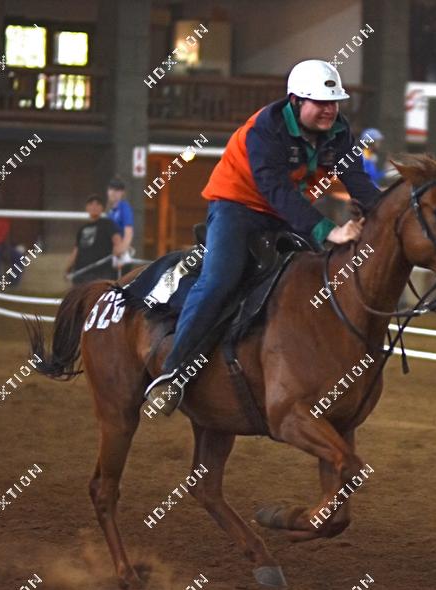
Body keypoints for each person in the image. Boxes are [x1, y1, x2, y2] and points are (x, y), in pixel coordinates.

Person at [144, 59, 382, 415]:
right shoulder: (265, 129)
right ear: (296, 101)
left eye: (334, 103)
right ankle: (172, 372)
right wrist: (329, 230)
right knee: (220, 280)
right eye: (320, 102)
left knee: (314, 279)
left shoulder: (340, 132)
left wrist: (388, 212)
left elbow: (359, 183)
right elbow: (276, 191)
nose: (329, 110)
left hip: (285, 213)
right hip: (236, 206)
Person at [66, 195, 122, 285]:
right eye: (91, 204)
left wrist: (118, 258)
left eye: (97, 204)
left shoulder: (108, 224)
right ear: (87, 207)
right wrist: (68, 268)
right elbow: (76, 250)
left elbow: (117, 241)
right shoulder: (82, 229)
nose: (94, 207)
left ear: (102, 208)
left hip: (102, 274)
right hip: (81, 274)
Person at [106, 177, 135, 271]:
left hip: (120, 256)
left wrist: (122, 251)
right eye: (111, 189)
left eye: (117, 190)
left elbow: (128, 232)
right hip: (111, 254)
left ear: (122, 192)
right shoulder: (109, 212)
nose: (113, 192)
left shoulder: (124, 207)